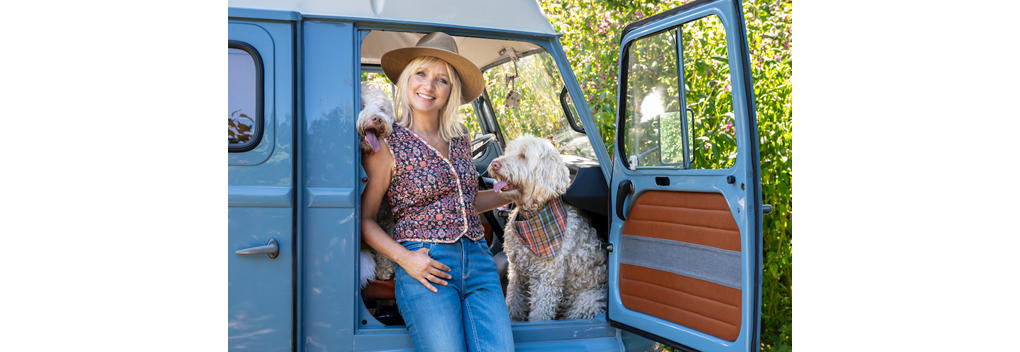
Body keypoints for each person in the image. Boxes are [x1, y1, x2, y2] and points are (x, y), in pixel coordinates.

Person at [360, 32, 515, 352]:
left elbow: (463, 203)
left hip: (479, 263)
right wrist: (406, 260)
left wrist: (510, 195)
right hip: (424, 264)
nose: (428, 86)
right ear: (406, 79)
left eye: (441, 79)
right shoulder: (385, 141)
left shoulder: (460, 136)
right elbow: (365, 220)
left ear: (451, 90)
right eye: (421, 73)